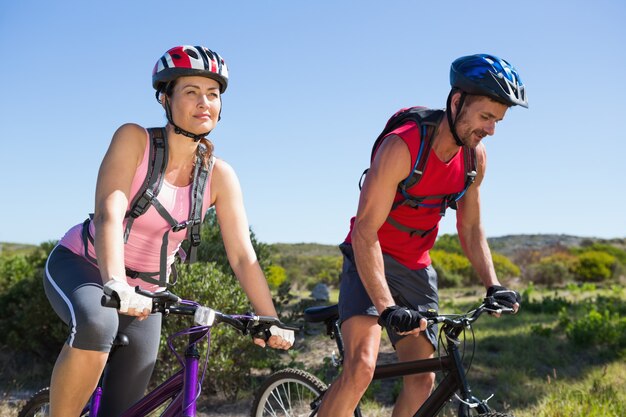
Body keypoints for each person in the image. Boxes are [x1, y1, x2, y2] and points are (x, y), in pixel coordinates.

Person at [43, 45, 294, 417]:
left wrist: (268, 318)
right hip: (85, 267)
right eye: (191, 92)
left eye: (213, 94)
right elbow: (109, 212)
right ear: (165, 98)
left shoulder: (220, 175)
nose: (204, 102)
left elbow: (242, 255)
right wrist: (116, 282)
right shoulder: (134, 139)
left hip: (149, 295)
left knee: (125, 409)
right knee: (97, 324)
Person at [317, 53, 527, 417]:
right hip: (371, 257)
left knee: (423, 379)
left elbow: (471, 227)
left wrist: (493, 284)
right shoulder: (403, 146)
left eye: (498, 121)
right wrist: (387, 309)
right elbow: (366, 231)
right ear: (457, 102)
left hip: (416, 267)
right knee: (361, 368)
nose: (491, 129)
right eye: (485, 117)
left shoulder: (475, 160)